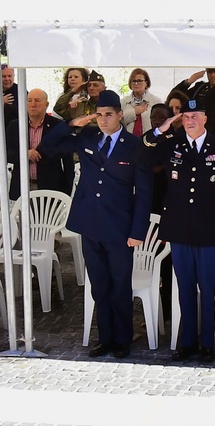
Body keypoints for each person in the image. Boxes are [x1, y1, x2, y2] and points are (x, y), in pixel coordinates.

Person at [40, 90, 152, 359]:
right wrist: (70, 124)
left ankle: (122, 339)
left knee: (120, 285)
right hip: (90, 225)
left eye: (108, 115)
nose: (103, 120)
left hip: (119, 228)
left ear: (119, 116)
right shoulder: (87, 137)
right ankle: (106, 338)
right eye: (99, 115)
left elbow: (145, 191)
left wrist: (138, 231)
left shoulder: (134, 145)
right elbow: (47, 148)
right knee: (99, 285)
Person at [145, 98, 215, 364]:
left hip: (209, 228)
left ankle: (207, 344)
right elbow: (143, 153)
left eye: (195, 116)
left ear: (205, 119)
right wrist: (161, 129)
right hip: (179, 228)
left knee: (207, 288)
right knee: (184, 287)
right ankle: (188, 342)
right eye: (185, 117)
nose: (190, 121)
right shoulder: (172, 145)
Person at [6, 89, 74, 200]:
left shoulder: (58, 126)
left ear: (46, 104)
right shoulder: (15, 126)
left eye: (37, 100)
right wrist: (24, 154)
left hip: (51, 189)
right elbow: (7, 153)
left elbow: (68, 161)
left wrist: (66, 192)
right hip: (21, 189)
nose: (33, 104)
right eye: (29, 100)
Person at [171, 68, 215, 134]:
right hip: (202, 131)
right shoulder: (200, 88)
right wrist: (188, 82)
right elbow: (175, 95)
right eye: (209, 72)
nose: (212, 75)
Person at [121, 68, 162, 136]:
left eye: (139, 81)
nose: (136, 83)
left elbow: (161, 122)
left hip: (149, 140)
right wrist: (133, 112)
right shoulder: (123, 102)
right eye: (133, 81)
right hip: (128, 141)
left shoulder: (156, 101)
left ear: (146, 83)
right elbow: (118, 121)